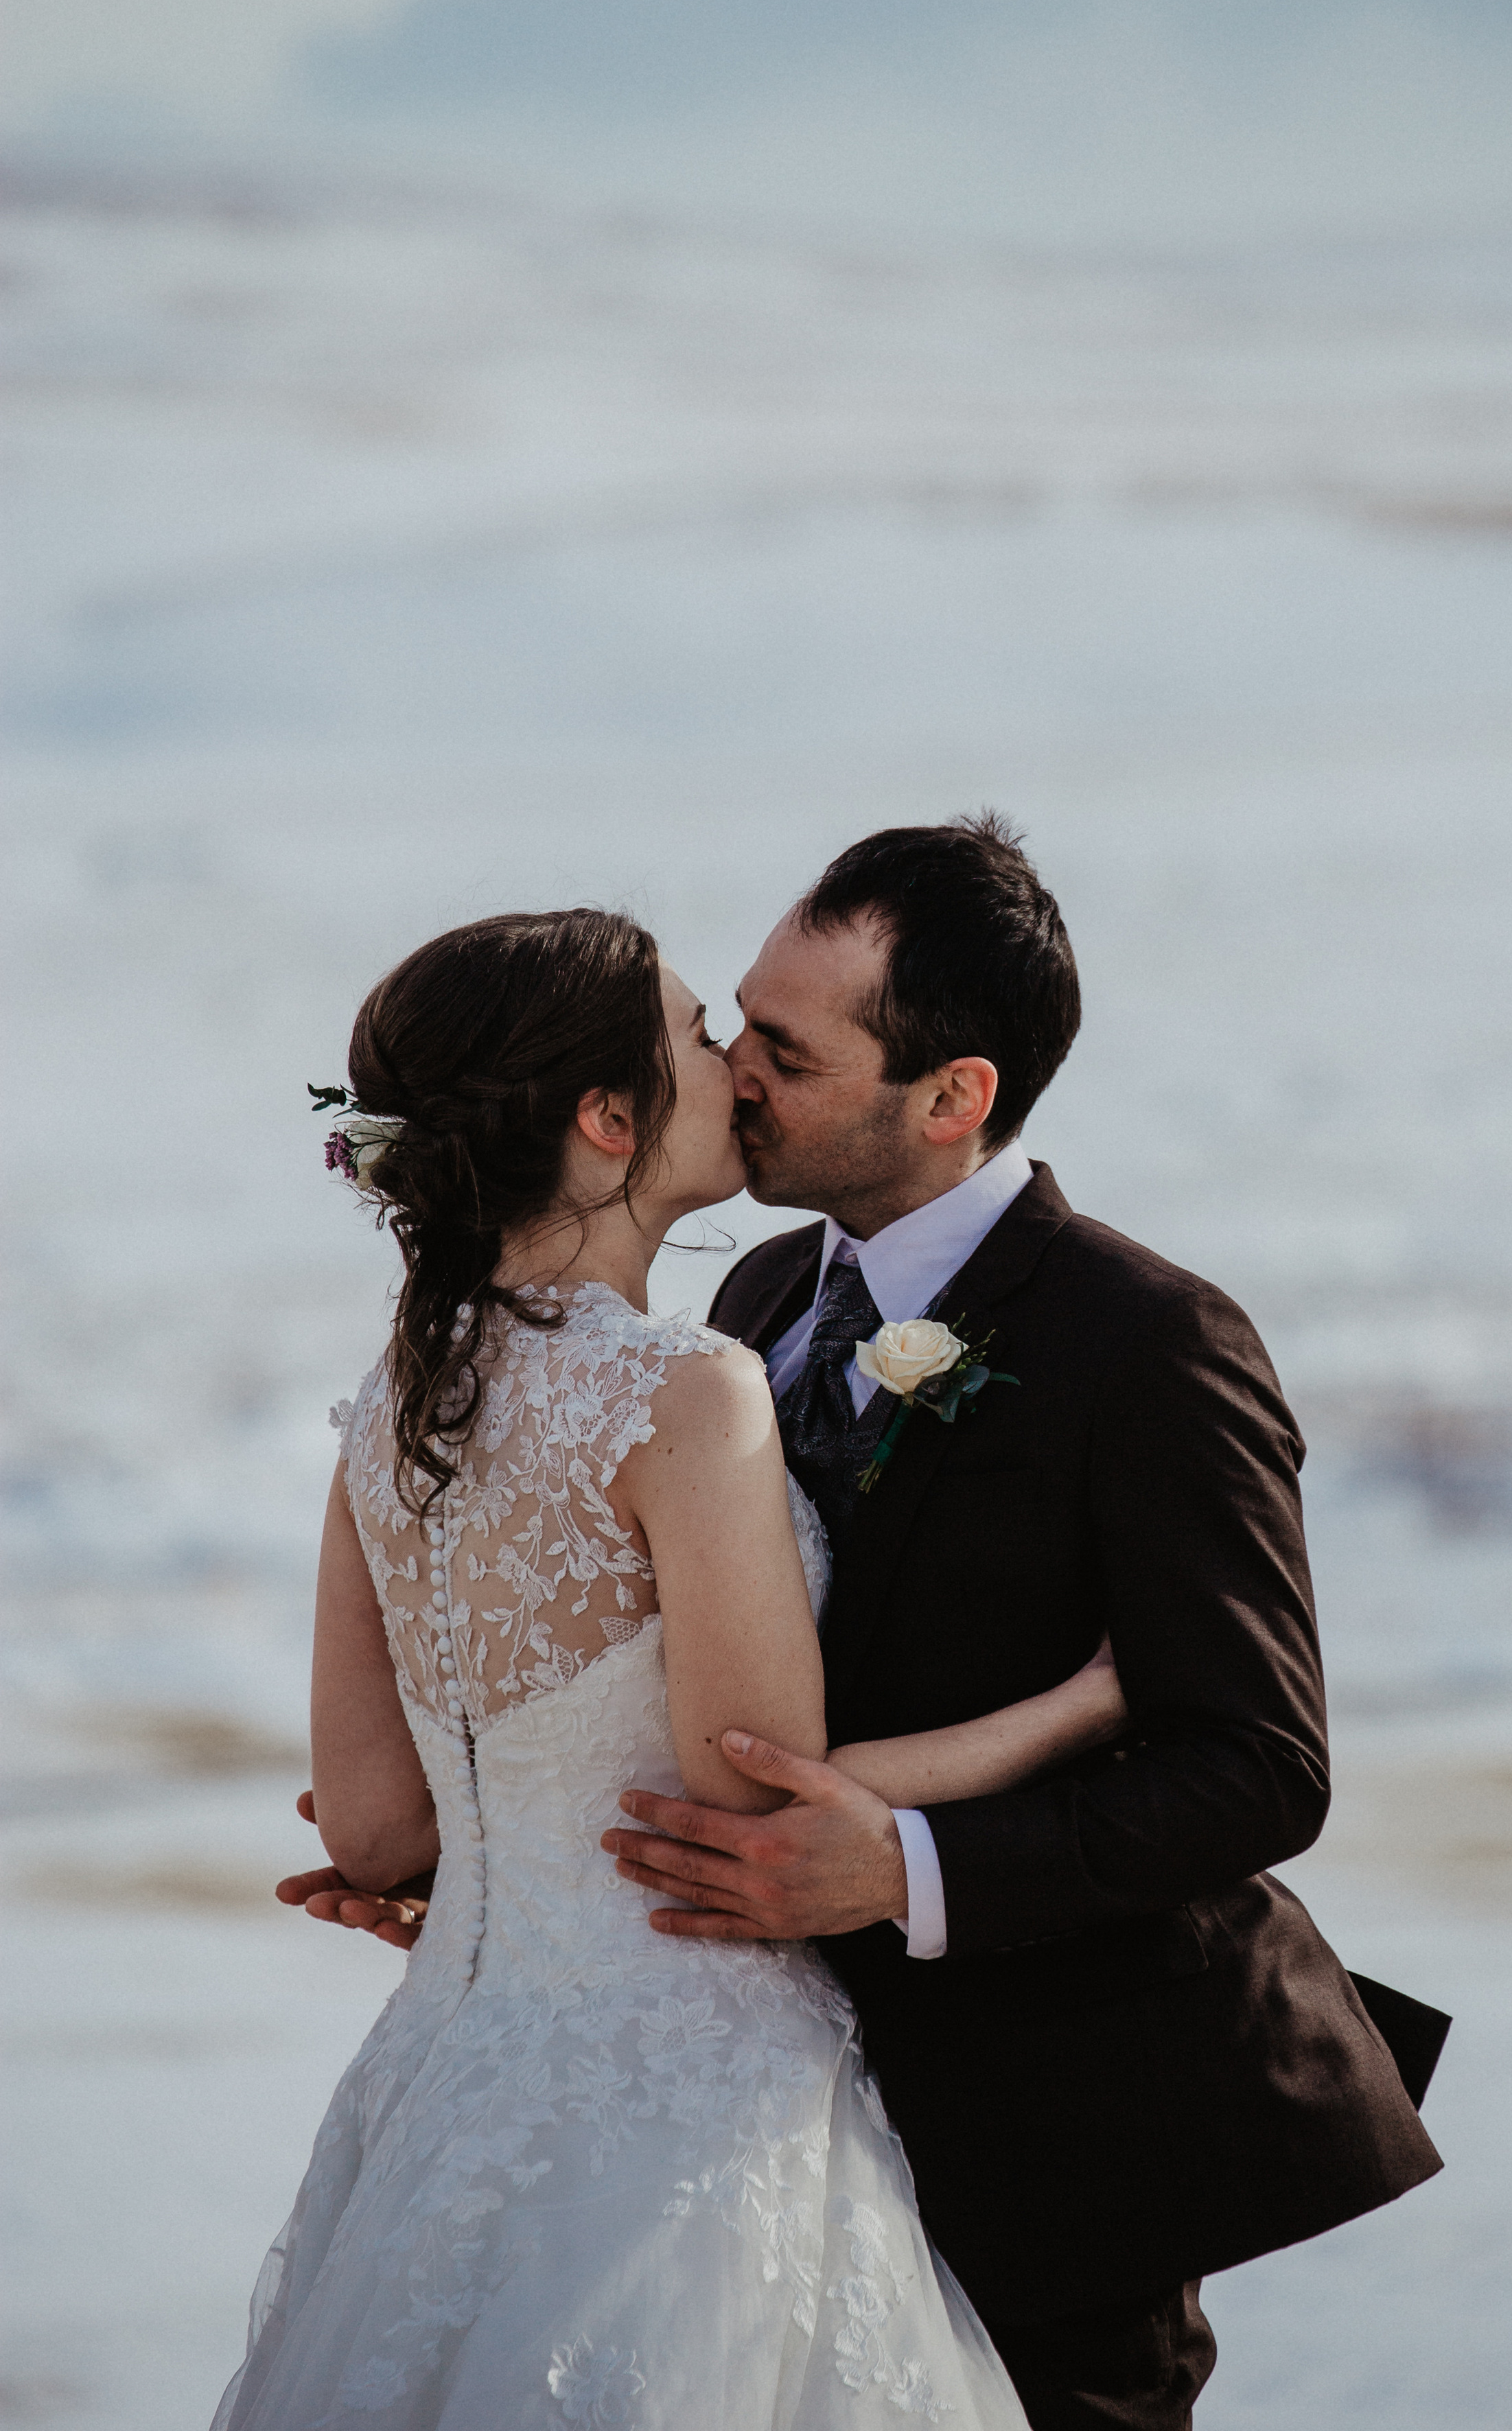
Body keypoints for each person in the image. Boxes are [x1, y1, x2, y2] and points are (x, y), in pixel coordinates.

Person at [278, 820, 1445, 2429]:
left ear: (951, 1094)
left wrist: (906, 1868)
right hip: (730, 2115)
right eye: (731, 1026)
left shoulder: (1148, 1342)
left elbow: (1258, 1766)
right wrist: (501, 1859)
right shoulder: (741, 1311)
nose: (737, 1073)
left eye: (783, 1048)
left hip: (1049, 2135)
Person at [220, 904, 1139, 2430]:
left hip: (447, 2077)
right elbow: (746, 1783)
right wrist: (1068, 1712)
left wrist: (512, 1849)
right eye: (701, 1035)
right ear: (605, 1119)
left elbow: (377, 1837)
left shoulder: (383, 1412)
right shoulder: (687, 1388)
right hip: (681, 2091)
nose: (737, 1066)